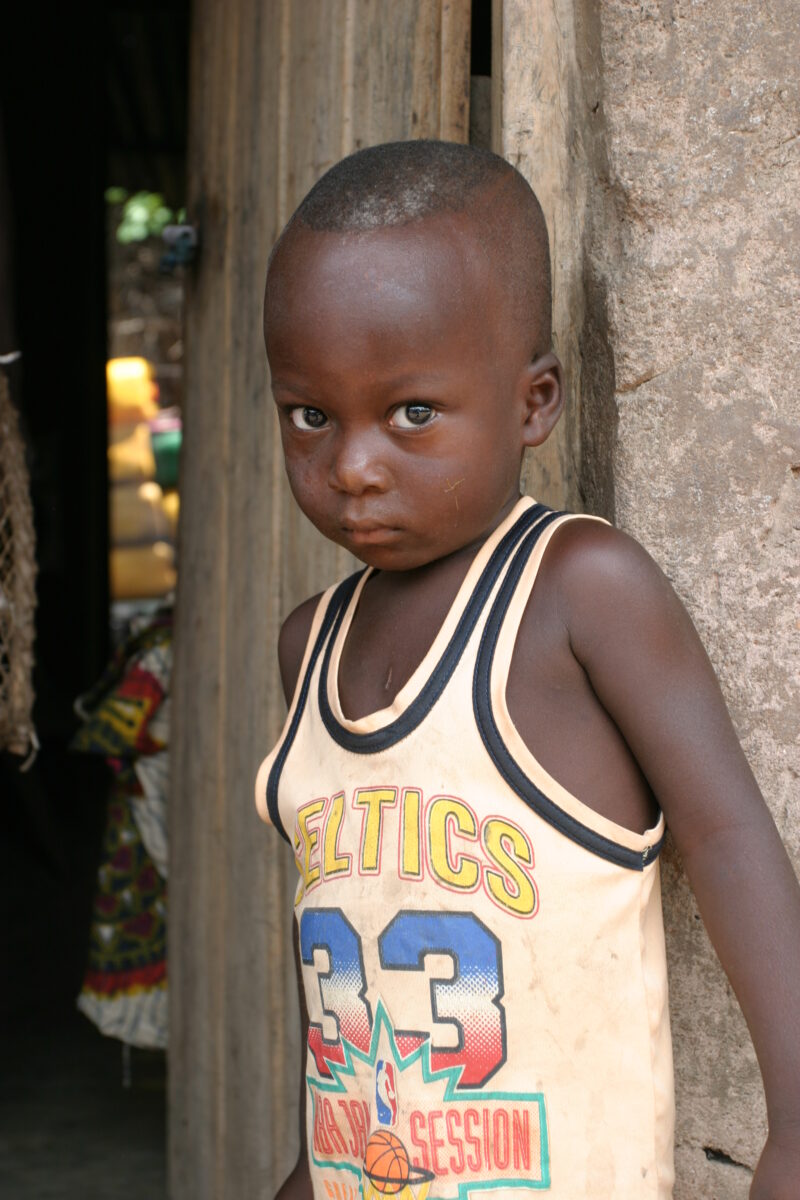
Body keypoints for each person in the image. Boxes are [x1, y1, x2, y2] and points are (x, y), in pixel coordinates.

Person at [255, 140, 800, 1200]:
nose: (352, 465)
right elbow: (342, 930)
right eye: (309, 416)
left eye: (410, 413)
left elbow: (727, 836)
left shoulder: (574, 591)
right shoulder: (307, 645)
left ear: (533, 402)